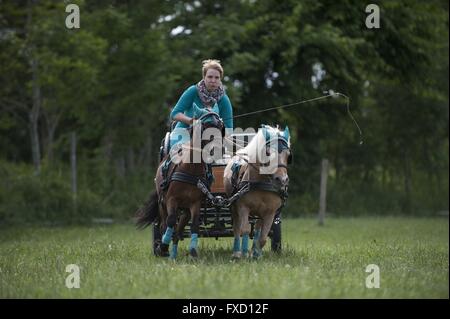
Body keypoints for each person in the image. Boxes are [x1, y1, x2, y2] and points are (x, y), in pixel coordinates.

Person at [168, 59, 234, 152]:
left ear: (220, 79)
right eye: (210, 77)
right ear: (204, 77)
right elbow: (174, 114)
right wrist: (191, 121)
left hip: (211, 137)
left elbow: (229, 130)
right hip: (184, 132)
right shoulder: (193, 91)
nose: (213, 80)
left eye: (217, 78)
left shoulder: (224, 100)